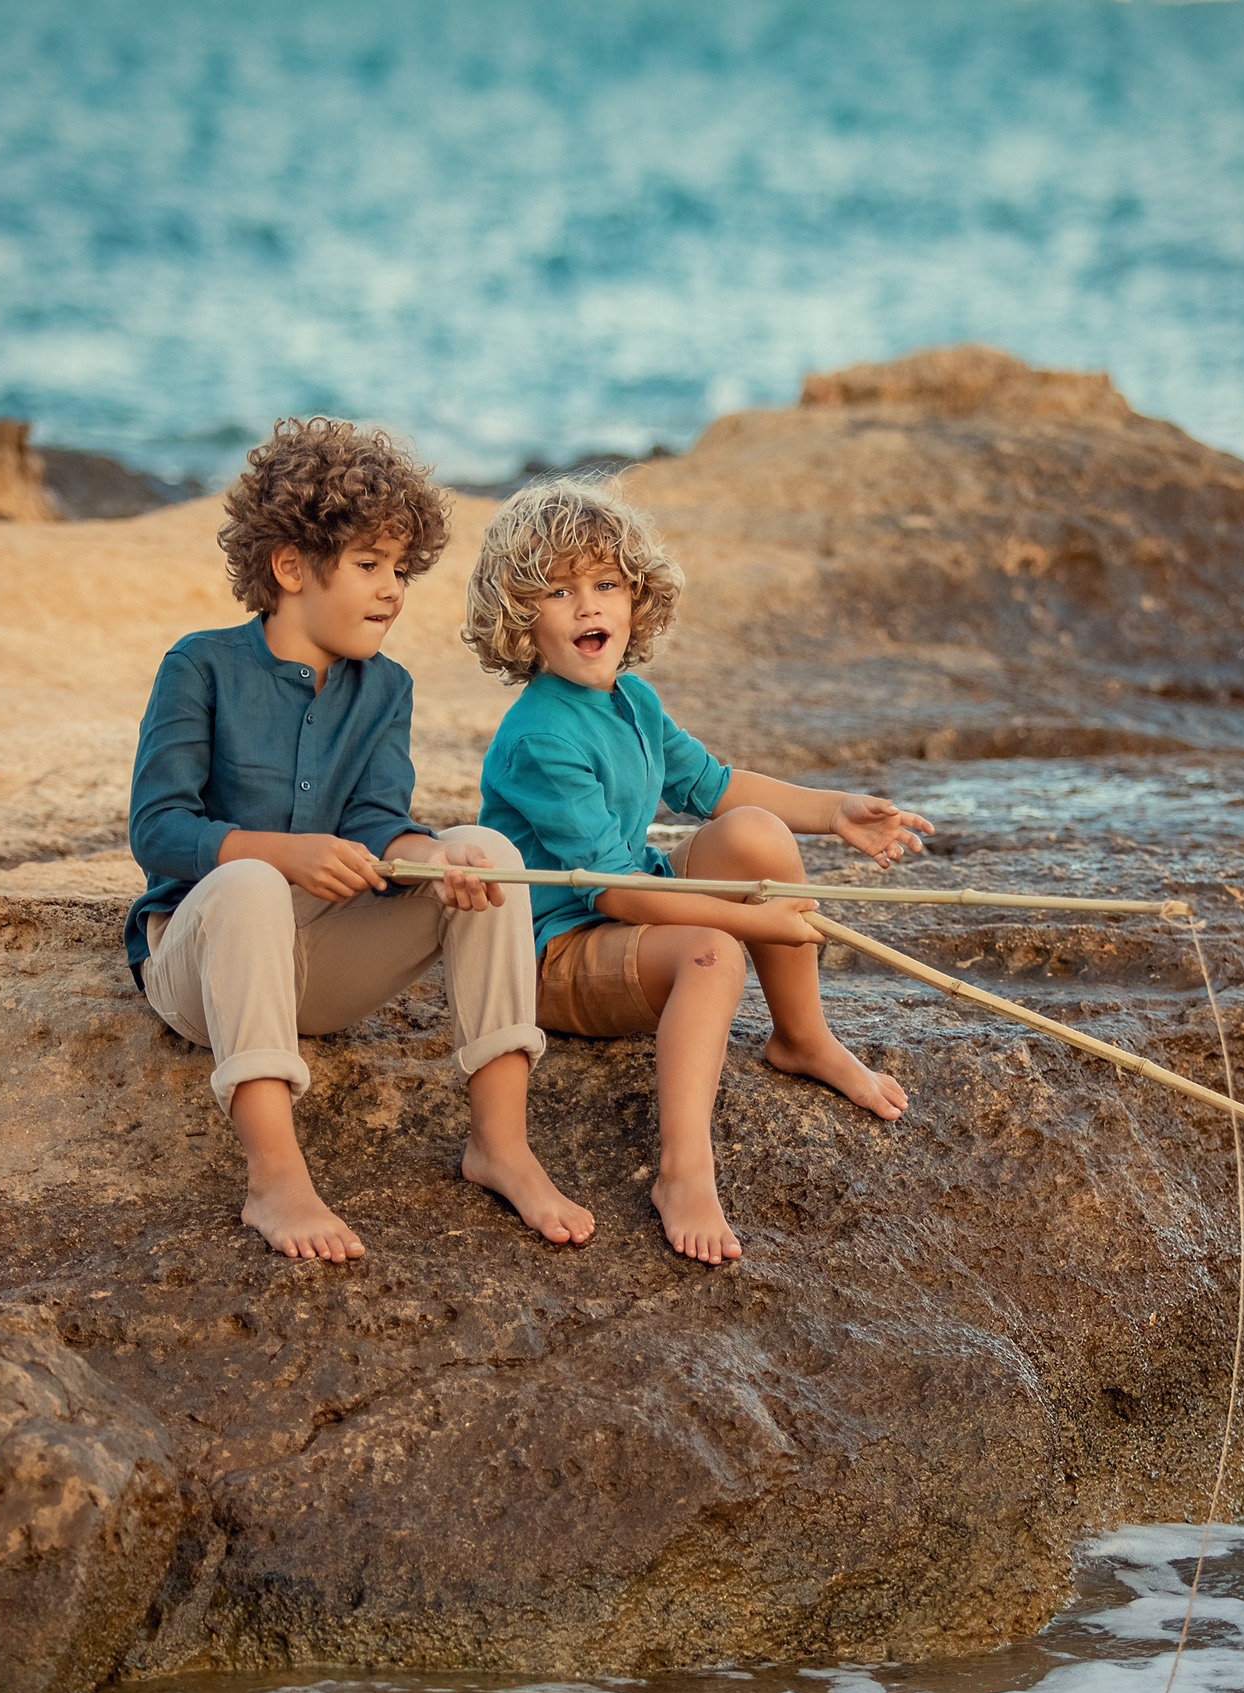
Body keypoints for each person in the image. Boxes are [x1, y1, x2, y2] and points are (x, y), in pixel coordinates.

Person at [125, 418, 593, 1263]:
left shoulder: (387, 689)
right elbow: (158, 831)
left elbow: (381, 824)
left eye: (401, 570)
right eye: (369, 565)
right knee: (252, 885)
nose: (392, 590)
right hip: (204, 969)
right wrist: (277, 851)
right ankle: (275, 1177)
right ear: (292, 566)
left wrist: (427, 860)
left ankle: (501, 1144)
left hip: (323, 969)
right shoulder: (198, 666)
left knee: (486, 853)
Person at [465, 480, 933, 1266]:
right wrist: (754, 921)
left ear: (635, 597)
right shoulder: (539, 736)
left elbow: (715, 788)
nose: (589, 607)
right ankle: (684, 1169)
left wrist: (834, 809)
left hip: (629, 906)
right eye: (560, 590)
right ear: (521, 617)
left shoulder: (633, 700)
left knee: (754, 832)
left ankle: (803, 1037)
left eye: (605, 584)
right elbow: (608, 889)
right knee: (711, 951)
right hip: (557, 950)